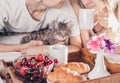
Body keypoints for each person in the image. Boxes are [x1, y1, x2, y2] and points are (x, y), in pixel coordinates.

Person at [0, 0, 82, 54]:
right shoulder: (6, 4)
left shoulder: (64, 6)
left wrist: (44, 49)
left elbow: (77, 47)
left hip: (41, 42)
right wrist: (23, 48)